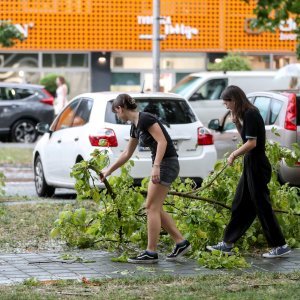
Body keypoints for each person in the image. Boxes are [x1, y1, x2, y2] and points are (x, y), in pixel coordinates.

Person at [100, 94, 191, 264]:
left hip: (166, 164)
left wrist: (156, 166)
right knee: (154, 207)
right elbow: (127, 153)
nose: (117, 116)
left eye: (116, 112)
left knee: (151, 207)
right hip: (162, 164)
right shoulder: (135, 126)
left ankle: (151, 252)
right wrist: (108, 171)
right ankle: (180, 242)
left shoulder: (145, 119)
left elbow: (162, 142)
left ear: (120, 108)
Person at [206, 85, 291, 258]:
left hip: (257, 164)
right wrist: (236, 121)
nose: (226, 107)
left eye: (227, 103)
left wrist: (233, 155)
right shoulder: (245, 115)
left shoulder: (252, 114)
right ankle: (228, 243)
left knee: (262, 205)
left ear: (235, 100)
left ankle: (280, 245)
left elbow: (252, 143)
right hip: (250, 163)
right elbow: (246, 138)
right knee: (240, 203)